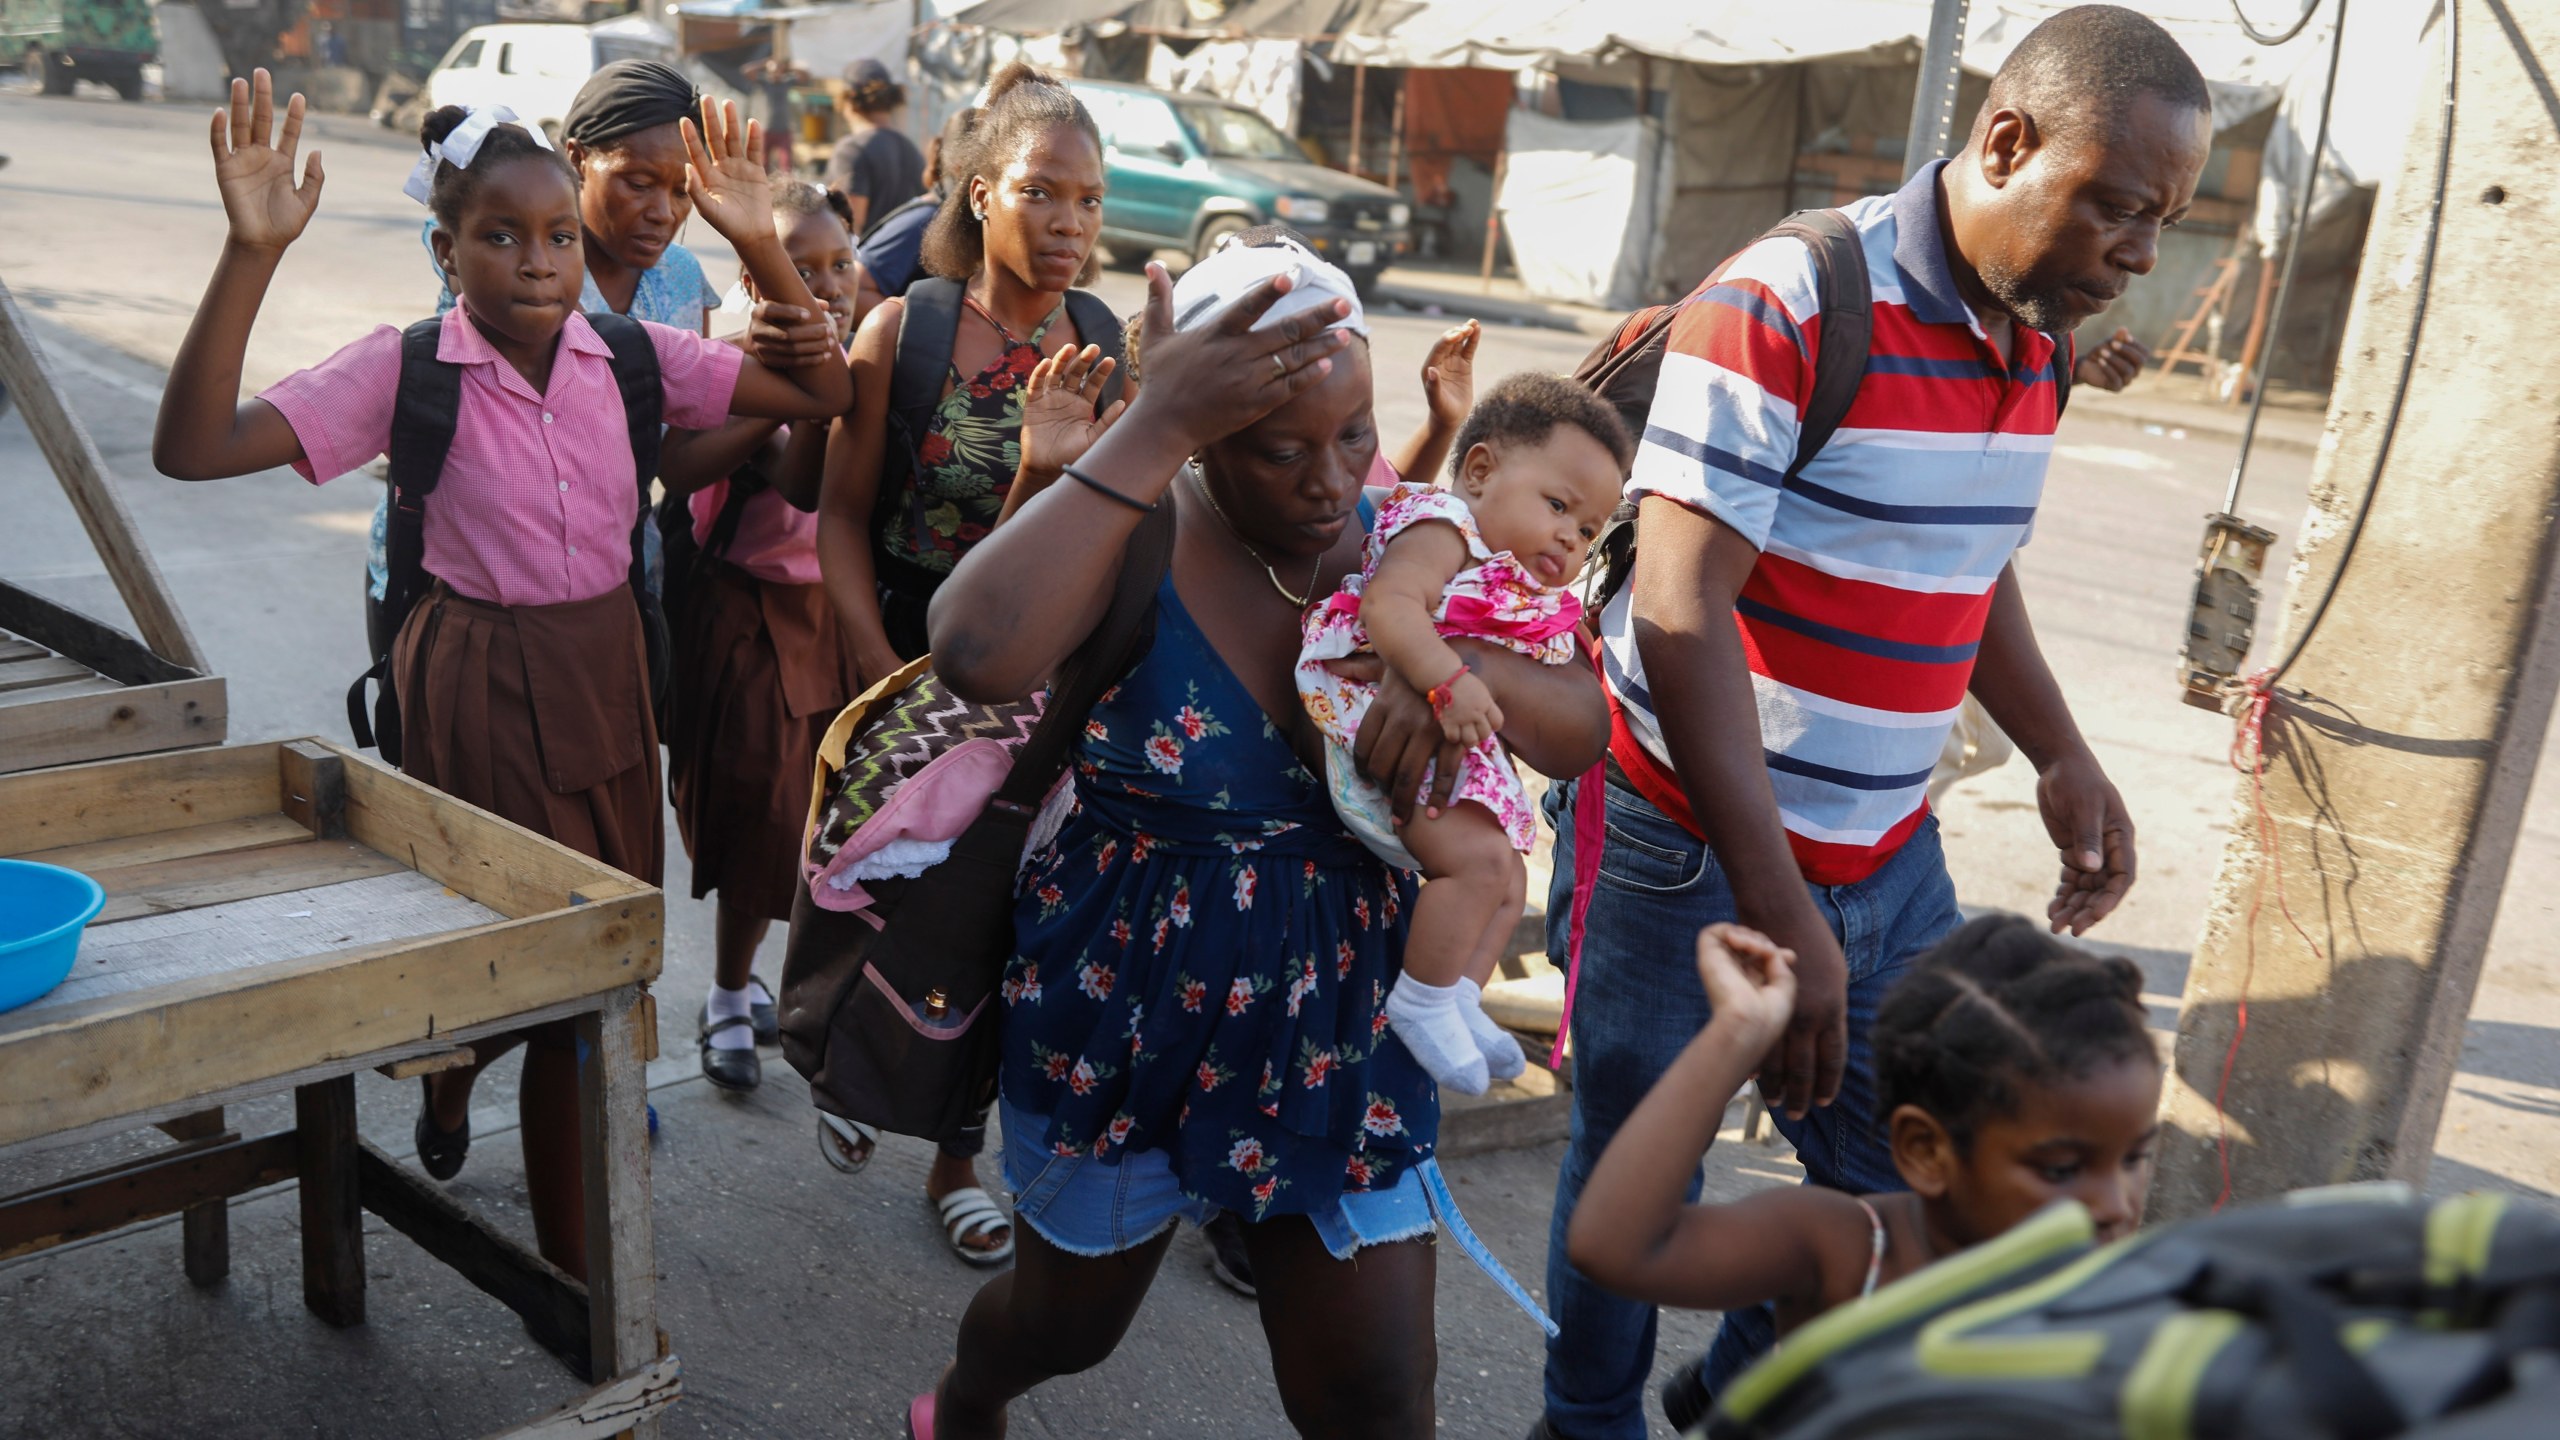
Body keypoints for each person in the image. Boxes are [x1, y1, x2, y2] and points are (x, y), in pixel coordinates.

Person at [1532, 9, 2211, 1437]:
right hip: (1696, 855)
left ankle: (1736, 1395)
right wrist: (1786, 907)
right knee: (1636, 1175)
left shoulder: (2032, 327)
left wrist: (2062, 749)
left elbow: (1963, 560)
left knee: (1907, 1190)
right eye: (2124, 209)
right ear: (2009, 144)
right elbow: (1678, 605)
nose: (2142, 252)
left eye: (2162, 221)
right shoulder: (1787, 301)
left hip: (1887, 854)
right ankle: (1584, 1424)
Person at [902, 232, 1608, 1440]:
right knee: (1061, 1326)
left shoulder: (1416, 543)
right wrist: (1147, 423)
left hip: (1340, 1026)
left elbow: (1582, 725)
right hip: (1130, 1012)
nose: (1333, 480)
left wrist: (1444, 668)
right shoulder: (1131, 534)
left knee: (1381, 1396)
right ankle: (967, 1402)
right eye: (1281, 450)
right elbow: (972, 650)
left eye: (1353, 434)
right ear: (1198, 433)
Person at [153, 75, 852, 1278]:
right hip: (473, 683)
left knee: (588, 976)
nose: (538, 262)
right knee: (504, 956)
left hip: (610, 674)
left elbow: (822, 392)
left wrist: (753, 243)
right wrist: (249, 251)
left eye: (557, 238)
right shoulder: (405, 367)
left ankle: (576, 1272)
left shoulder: (631, 355)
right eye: (500, 235)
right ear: (446, 246)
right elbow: (192, 446)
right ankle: (455, 1077)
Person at [811, 61, 1120, 1266]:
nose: (1069, 226)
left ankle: (954, 1154)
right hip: (900, 652)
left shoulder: (1101, 344)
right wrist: (876, 655)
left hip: (1033, 678)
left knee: (998, 917)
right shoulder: (912, 327)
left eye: (1088, 202)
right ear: (983, 194)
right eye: (1045, 194)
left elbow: (1104, 525)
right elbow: (841, 516)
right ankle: (845, 1062)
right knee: (879, 889)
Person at [1568, 915, 2159, 1429]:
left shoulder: (2115, 1295)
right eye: (2061, 1169)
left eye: (2133, 1158)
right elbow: (1616, 1247)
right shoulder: (1853, 1250)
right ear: (1926, 1151)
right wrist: (1737, 1034)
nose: (2115, 1204)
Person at [1297, 370, 1628, 1096]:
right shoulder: (1445, 527)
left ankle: (1459, 999)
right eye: (1558, 506)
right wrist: (1447, 680)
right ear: (1480, 470)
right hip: (1371, 702)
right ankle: (1420, 1001)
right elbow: (1392, 605)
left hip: (1450, 723)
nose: (1569, 537)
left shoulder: (1521, 588)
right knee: (1477, 866)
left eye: (1587, 530)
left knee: (1509, 878)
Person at [367, 59, 725, 662]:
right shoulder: (514, 268)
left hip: (610, 583)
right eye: (638, 182)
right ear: (578, 159)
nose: (663, 210)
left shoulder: (683, 281)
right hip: (464, 589)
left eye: (682, 189)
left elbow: (675, 455)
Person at [659, 179, 861, 1094]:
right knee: (756, 821)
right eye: (800, 268)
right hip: (751, 612)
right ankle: (729, 993)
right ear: (754, 273)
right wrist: (819, 389)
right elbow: (799, 477)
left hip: (843, 617)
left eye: (839, 264)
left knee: (828, 827)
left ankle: (782, 988)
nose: (826, 286)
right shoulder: (732, 363)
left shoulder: (876, 351)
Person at [859, 106, 979, 306]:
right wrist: (912, 329)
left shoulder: (961, 220)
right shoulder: (923, 221)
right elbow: (857, 286)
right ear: (962, 167)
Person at [826, 56, 925, 235]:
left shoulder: (851, 150)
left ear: (848, 100)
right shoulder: (911, 149)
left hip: (866, 260)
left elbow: (850, 225)